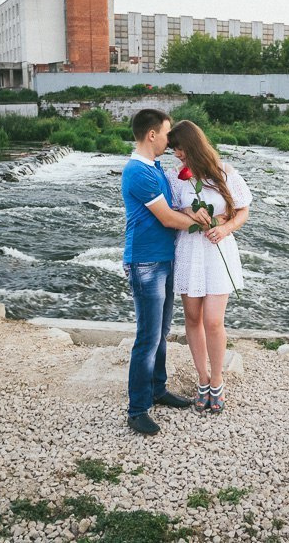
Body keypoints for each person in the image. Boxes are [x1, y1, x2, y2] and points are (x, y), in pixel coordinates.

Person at [122, 109, 211, 436]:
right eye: (166, 133)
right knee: (147, 336)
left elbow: (175, 209)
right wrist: (204, 224)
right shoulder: (137, 171)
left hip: (164, 258)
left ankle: (157, 389)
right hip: (145, 262)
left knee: (161, 331)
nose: (169, 139)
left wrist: (191, 210)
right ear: (151, 135)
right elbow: (168, 218)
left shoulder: (155, 168)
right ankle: (137, 409)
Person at [165, 120, 252, 414]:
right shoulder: (176, 177)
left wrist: (226, 229)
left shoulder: (224, 172)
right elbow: (174, 209)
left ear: (193, 145)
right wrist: (189, 210)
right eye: (174, 150)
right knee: (192, 318)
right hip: (190, 249)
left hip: (218, 249)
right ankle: (202, 379)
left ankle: (217, 380)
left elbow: (243, 210)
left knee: (213, 320)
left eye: (180, 149)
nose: (177, 155)